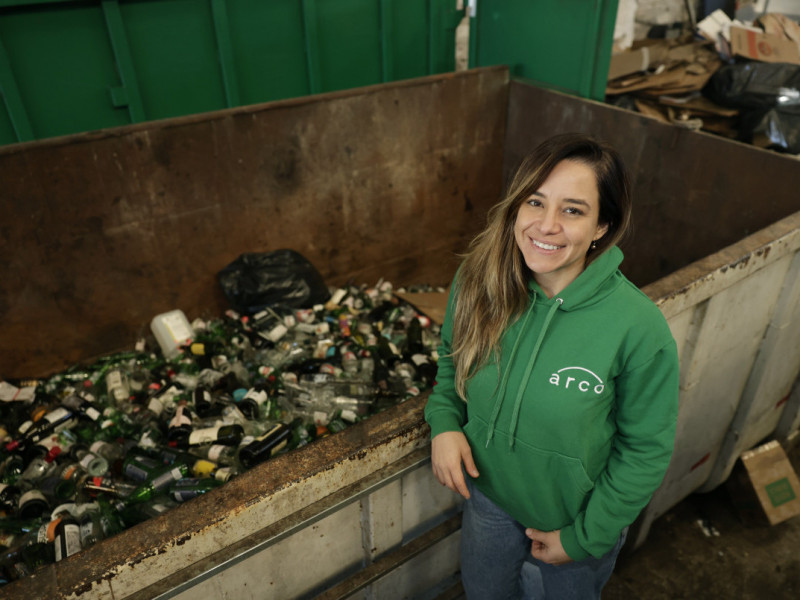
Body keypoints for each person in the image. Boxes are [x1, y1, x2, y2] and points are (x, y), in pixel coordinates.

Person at [424, 133, 679, 599]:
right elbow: (450, 362)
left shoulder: (638, 327)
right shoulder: (479, 281)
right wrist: (444, 423)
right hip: (487, 501)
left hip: (573, 522)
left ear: (603, 225)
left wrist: (584, 537)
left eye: (573, 210)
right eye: (535, 202)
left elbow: (645, 450)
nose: (546, 225)